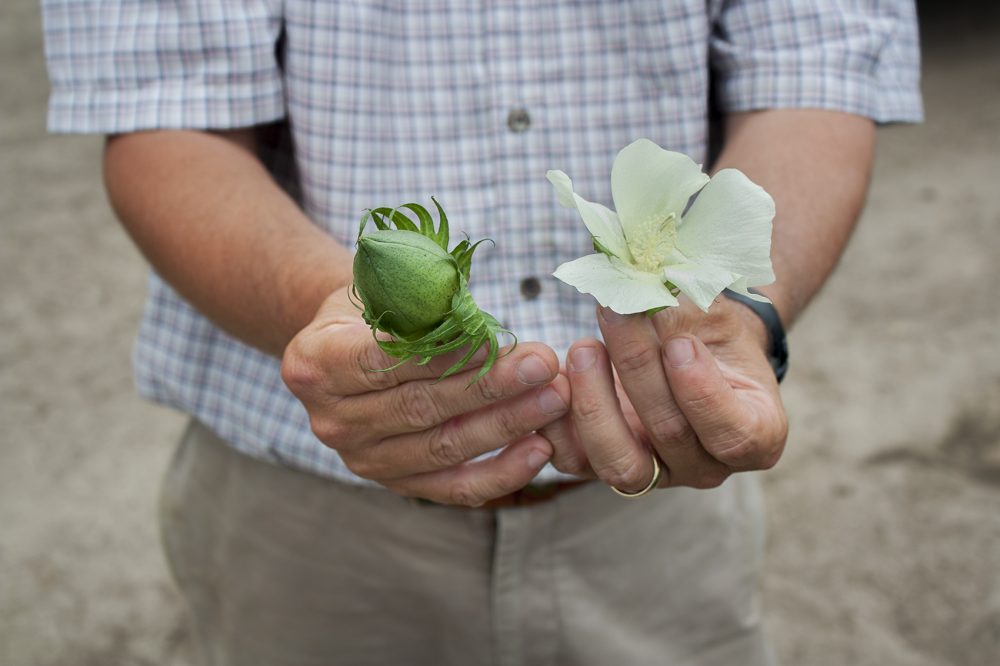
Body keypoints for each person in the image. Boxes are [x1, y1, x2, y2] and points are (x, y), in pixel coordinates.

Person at [43, 1, 922, 664]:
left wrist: (743, 311)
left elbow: (819, 66)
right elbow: (165, 114)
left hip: (660, 511)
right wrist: (344, 313)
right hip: (310, 511)